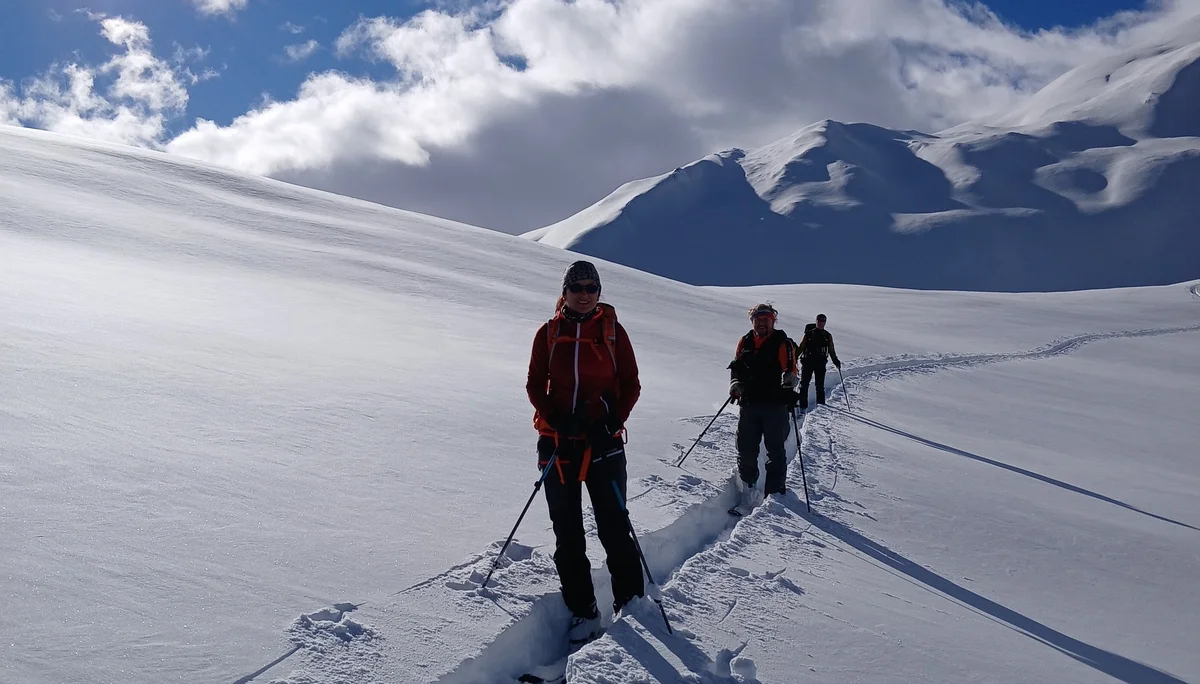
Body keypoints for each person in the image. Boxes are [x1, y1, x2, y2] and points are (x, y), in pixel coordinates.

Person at [525, 260, 644, 649]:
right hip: (558, 443)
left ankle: (632, 604)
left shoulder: (612, 332)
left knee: (614, 525)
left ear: (599, 292)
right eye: (576, 286)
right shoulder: (548, 333)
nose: (584, 293)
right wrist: (556, 418)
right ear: (564, 291)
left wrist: (611, 421)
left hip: (603, 443)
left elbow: (630, 383)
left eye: (591, 287)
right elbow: (534, 384)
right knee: (568, 532)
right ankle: (583, 610)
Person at [728, 303, 798, 502]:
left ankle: (775, 494)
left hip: (775, 405)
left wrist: (789, 379)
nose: (761, 323)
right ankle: (749, 488)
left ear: (773, 321)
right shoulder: (745, 341)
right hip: (749, 404)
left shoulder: (782, 343)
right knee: (745, 449)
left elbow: (791, 370)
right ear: (753, 321)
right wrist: (735, 383)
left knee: (775, 450)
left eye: (766, 320)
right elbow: (736, 367)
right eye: (758, 320)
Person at [796, 313, 841, 410]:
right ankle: (803, 406)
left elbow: (831, 350)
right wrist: (794, 358)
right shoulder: (808, 334)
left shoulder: (827, 336)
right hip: (808, 361)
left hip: (820, 362)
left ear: (825, 323)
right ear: (816, 321)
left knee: (819, 385)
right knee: (804, 384)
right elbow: (801, 347)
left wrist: (836, 361)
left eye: (822, 321)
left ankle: (821, 407)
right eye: (819, 320)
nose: (820, 323)